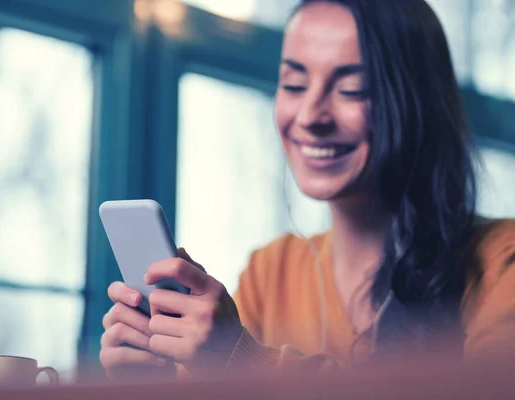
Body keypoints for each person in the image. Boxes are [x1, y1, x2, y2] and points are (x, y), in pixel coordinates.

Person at [100, 0, 515, 381]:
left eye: (352, 89)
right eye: (295, 85)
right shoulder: (272, 271)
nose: (311, 116)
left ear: (415, 102)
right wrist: (150, 377)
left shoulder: (501, 261)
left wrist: (242, 360)